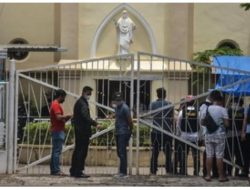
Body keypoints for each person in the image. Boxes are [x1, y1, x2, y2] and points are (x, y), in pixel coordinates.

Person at [69, 86, 100, 178]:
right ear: (83, 92)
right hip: (82, 131)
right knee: (82, 152)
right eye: (88, 93)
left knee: (78, 151)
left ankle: (74, 170)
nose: (89, 95)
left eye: (90, 94)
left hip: (79, 131)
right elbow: (85, 116)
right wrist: (95, 124)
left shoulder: (80, 102)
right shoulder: (82, 103)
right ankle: (79, 171)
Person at [201, 90, 229, 182]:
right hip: (219, 135)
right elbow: (227, 124)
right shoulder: (223, 110)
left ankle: (208, 175)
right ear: (221, 100)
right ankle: (221, 176)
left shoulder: (207, 108)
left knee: (209, 155)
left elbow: (202, 122)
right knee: (219, 155)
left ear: (212, 99)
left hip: (209, 134)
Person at [150, 88, 174, 175]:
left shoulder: (153, 105)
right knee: (168, 152)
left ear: (157, 94)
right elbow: (171, 117)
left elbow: (151, 114)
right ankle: (169, 169)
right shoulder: (169, 104)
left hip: (156, 130)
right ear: (165, 95)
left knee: (155, 152)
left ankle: (153, 170)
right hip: (167, 131)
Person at [176, 95, 200, 176]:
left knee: (184, 154)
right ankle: (196, 171)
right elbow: (200, 124)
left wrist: (178, 134)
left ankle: (183, 171)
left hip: (184, 136)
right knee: (196, 155)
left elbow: (178, 125)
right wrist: (200, 136)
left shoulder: (182, 112)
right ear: (194, 102)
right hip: (195, 136)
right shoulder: (198, 112)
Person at [50, 89, 71, 176]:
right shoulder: (56, 104)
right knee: (57, 151)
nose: (64, 99)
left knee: (55, 151)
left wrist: (66, 118)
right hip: (58, 131)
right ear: (60, 96)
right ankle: (56, 171)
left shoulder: (54, 104)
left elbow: (59, 119)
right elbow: (58, 117)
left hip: (57, 129)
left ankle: (54, 170)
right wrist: (67, 115)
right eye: (64, 97)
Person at [112, 92, 133, 178]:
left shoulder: (125, 108)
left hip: (123, 133)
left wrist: (130, 130)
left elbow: (130, 121)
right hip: (118, 132)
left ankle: (123, 172)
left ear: (122, 100)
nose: (117, 102)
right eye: (116, 100)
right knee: (119, 152)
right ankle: (121, 171)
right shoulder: (117, 107)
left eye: (119, 100)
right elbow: (117, 116)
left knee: (122, 152)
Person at [224, 97, 244, 176]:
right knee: (239, 154)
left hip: (229, 134)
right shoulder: (243, 110)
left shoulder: (228, 110)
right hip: (240, 135)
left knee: (229, 154)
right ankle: (237, 171)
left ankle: (229, 171)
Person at [199, 97, 218, 178]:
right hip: (210, 132)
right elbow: (202, 121)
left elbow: (201, 121)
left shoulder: (203, 106)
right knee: (211, 153)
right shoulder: (204, 106)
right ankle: (209, 172)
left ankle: (208, 172)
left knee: (209, 153)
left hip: (208, 132)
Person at [239, 101, 250, 178]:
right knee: (246, 152)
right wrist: (243, 132)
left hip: (248, 132)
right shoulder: (248, 108)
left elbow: (245, 120)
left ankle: (245, 171)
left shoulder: (248, 108)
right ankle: (245, 170)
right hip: (248, 132)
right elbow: (245, 120)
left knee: (246, 152)